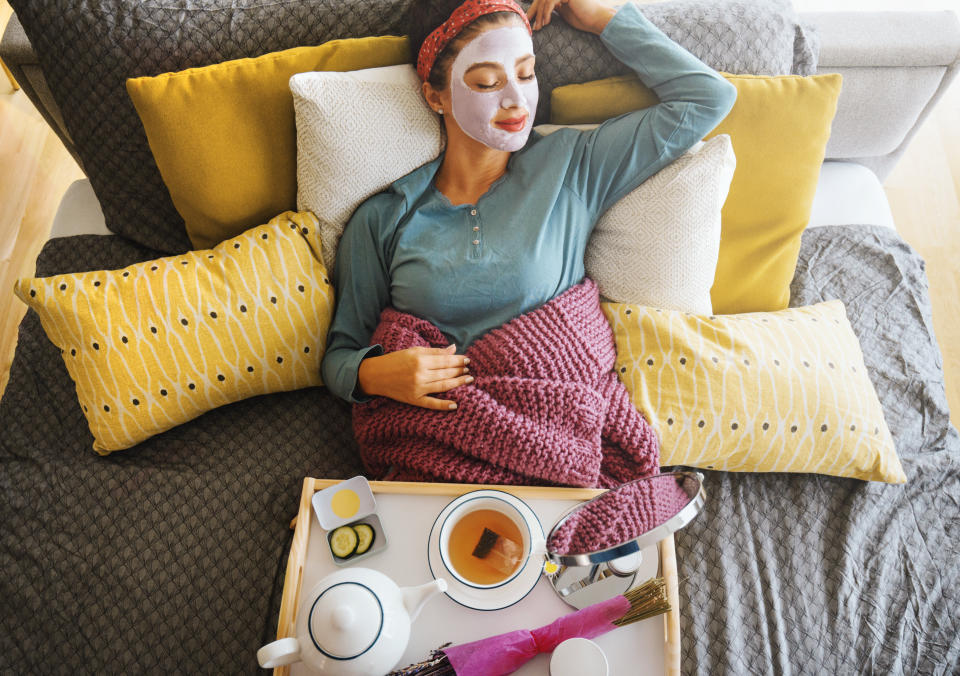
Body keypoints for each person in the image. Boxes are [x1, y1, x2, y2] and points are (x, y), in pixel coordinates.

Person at [321, 0, 737, 411]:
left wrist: (601, 20)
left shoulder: (573, 167)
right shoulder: (384, 218)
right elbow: (340, 357)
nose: (516, 100)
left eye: (526, 73)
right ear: (435, 97)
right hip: (431, 450)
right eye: (486, 82)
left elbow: (708, 98)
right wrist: (373, 374)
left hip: (555, 435)